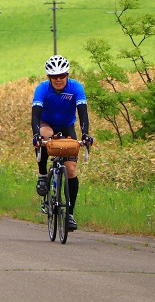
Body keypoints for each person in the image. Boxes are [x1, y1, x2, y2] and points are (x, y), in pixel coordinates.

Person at [31, 55, 93, 232]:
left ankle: (70, 214)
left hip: (67, 127)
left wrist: (86, 134)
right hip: (46, 124)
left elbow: (83, 113)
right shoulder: (42, 89)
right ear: (48, 77)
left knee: (71, 169)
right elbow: (35, 114)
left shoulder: (76, 88)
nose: (58, 80)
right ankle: (43, 176)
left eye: (62, 75)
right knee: (45, 136)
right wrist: (36, 134)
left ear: (67, 75)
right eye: (54, 77)